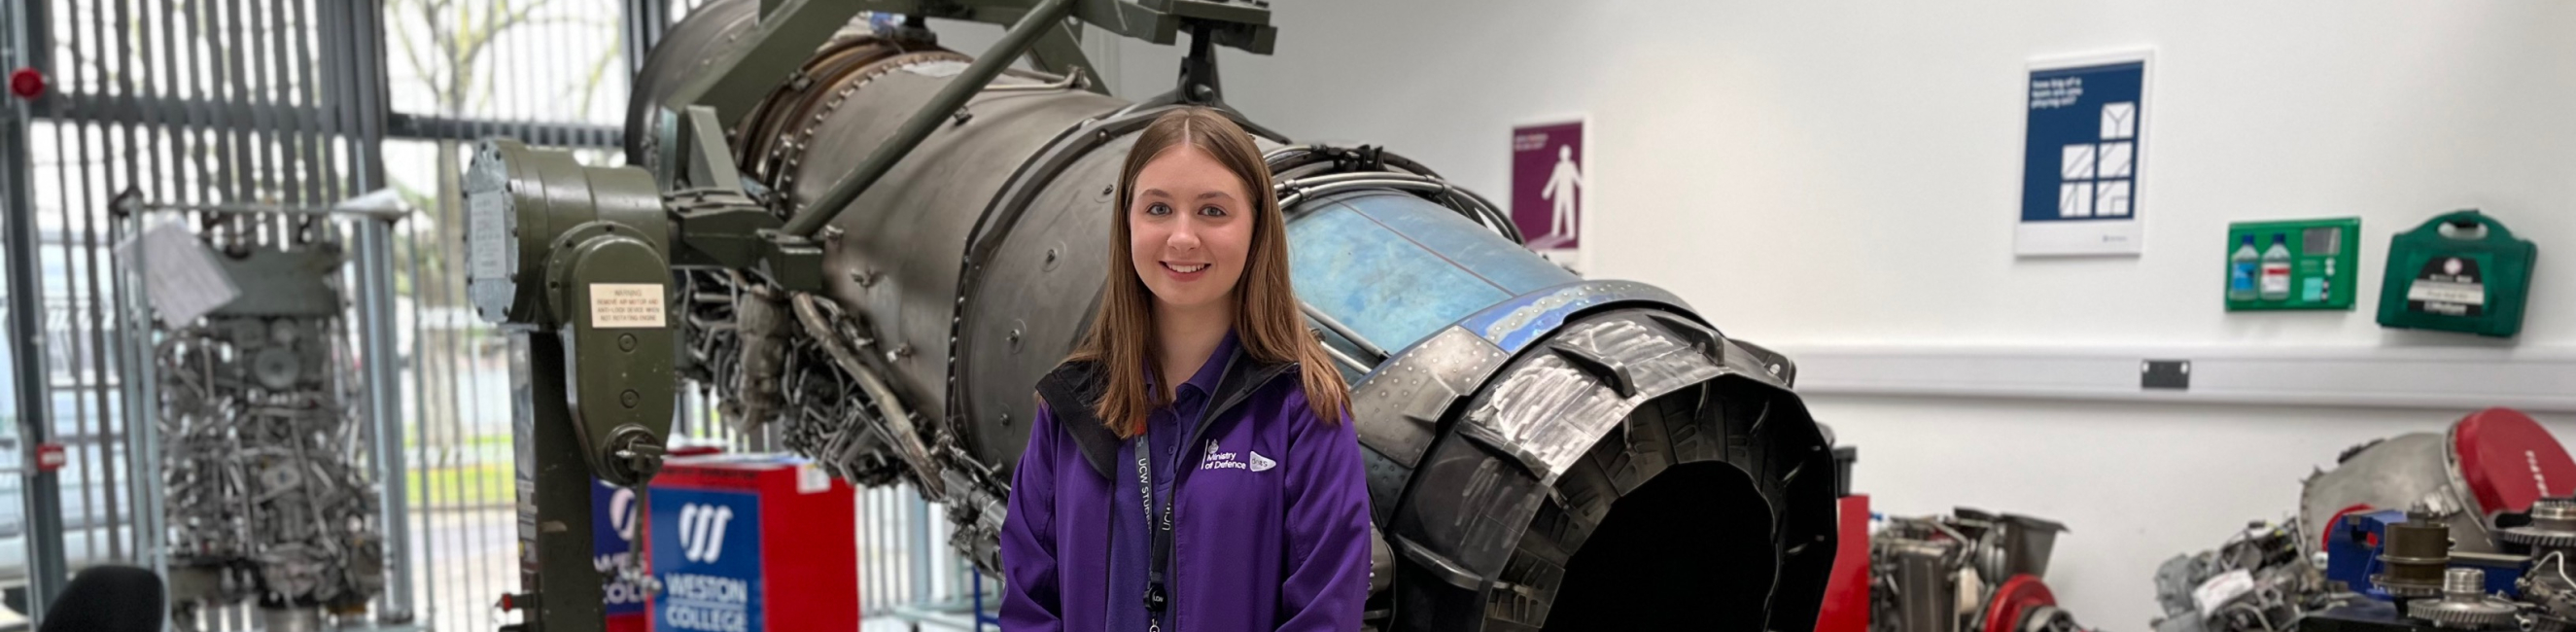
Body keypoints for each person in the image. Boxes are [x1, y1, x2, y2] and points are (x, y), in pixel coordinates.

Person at [999, 107, 1374, 632]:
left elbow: (1325, 615)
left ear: (1257, 227)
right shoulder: (1071, 409)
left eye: (1212, 211)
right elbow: (1028, 608)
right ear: (1127, 223)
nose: (1182, 238)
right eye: (1158, 208)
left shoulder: (1303, 411)